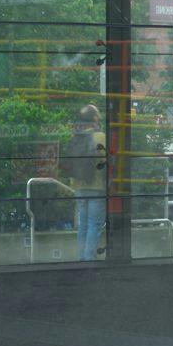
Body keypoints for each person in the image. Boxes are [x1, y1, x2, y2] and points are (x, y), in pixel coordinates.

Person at [62, 105, 107, 261]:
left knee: (83, 224)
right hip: (96, 186)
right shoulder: (99, 136)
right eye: (98, 114)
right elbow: (103, 159)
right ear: (95, 118)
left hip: (79, 186)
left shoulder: (75, 137)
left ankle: (82, 256)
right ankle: (89, 258)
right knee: (95, 224)